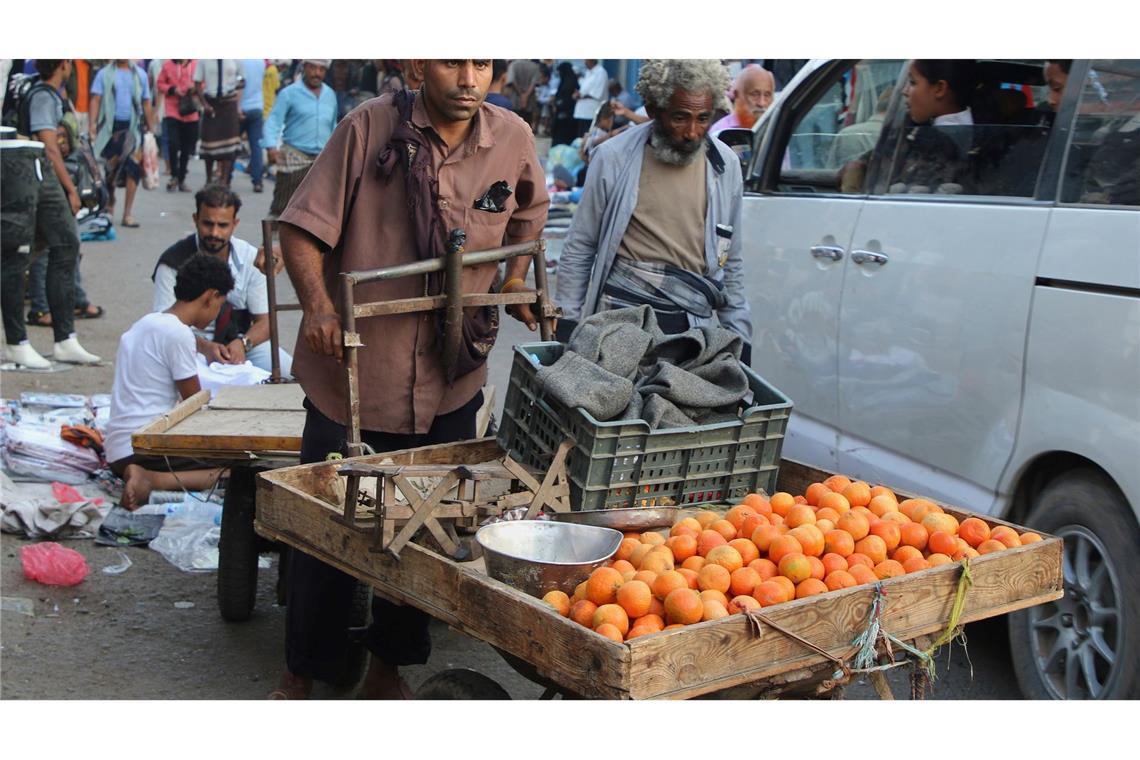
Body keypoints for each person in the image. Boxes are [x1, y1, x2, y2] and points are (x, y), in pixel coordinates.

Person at [271, 58, 549, 700]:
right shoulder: (367, 129)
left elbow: (528, 217)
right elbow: (300, 230)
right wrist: (318, 308)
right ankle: (301, 673)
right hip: (355, 380)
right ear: (419, 64)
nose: (469, 78)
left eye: (482, 63)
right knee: (326, 534)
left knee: (428, 536)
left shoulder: (511, 138)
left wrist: (513, 279)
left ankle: (387, 670)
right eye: (453, 61)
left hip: (451, 380)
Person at [556, 59, 752, 359]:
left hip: (691, 330)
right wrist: (566, 321)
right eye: (680, 118)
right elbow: (581, 245)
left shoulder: (725, 166)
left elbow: (732, 260)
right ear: (653, 111)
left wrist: (740, 337)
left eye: (703, 119)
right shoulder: (613, 157)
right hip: (618, 321)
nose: (692, 132)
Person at [105, 254, 233, 509]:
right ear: (210, 297)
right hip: (146, 449)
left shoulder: (145, 323)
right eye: (220, 305)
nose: (217, 313)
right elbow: (194, 405)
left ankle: (144, 474)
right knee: (243, 467)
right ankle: (153, 479)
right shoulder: (179, 334)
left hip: (117, 451)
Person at [2, 59, 101, 368]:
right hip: (31, 171)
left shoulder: (43, 91)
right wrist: (71, 189)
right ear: (64, 64)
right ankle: (18, 342)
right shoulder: (43, 95)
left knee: (62, 245)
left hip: (33, 171)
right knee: (18, 255)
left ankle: (65, 339)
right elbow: (49, 146)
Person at [152, 183, 292, 376]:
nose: (214, 233)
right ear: (195, 219)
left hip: (240, 344)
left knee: (291, 374)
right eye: (208, 224)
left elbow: (266, 322)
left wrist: (243, 343)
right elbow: (164, 327)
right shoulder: (172, 262)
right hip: (189, 345)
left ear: (235, 223)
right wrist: (205, 347)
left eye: (223, 225)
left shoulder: (250, 258)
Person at [262, 59, 337, 217]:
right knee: (282, 208)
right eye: (313, 68)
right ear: (304, 68)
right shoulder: (289, 93)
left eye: (321, 69)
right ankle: (274, 233)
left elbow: (334, 126)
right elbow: (273, 121)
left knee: (316, 211)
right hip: (294, 157)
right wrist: (271, 147)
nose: (317, 73)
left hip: (321, 161)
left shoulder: (330, 95)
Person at [88, 59, 155, 228]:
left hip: (133, 129)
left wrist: (151, 128)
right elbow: (96, 99)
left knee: (133, 169)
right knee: (110, 171)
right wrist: (92, 125)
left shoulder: (140, 75)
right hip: (110, 130)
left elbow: (146, 102)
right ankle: (110, 201)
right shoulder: (104, 74)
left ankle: (127, 213)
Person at [194, 58, 243, 186]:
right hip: (211, 102)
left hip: (229, 103)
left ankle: (224, 181)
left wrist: (235, 89)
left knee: (229, 145)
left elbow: (243, 79)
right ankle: (209, 179)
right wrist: (204, 104)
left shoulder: (236, 59)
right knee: (209, 143)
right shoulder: (204, 60)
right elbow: (197, 83)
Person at [156, 59, 199, 192]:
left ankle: (181, 179)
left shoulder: (195, 64)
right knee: (173, 143)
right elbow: (160, 84)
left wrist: (194, 87)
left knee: (186, 147)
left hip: (191, 111)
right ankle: (174, 175)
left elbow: (203, 83)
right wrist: (173, 89)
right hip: (173, 111)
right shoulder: (168, 65)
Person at [710, 64, 774, 134]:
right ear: (737, 95)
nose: (762, 103)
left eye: (767, 95)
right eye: (754, 94)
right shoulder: (720, 132)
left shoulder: (777, 128)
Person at [238, 59, 266, 193]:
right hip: (257, 107)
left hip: (241, 108)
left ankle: (226, 178)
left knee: (232, 145)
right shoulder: (261, 62)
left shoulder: (239, 61)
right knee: (256, 147)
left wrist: (237, 107)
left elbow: (239, 85)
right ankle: (258, 181)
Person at [573, 59, 608, 137]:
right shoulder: (588, 72)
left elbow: (597, 93)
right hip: (583, 111)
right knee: (581, 137)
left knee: (589, 137)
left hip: (592, 112)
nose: (584, 62)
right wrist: (578, 94)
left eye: (586, 60)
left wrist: (581, 95)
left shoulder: (601, 72)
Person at [504, 58, 541, 129]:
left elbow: (512, 81)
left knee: (514, 126)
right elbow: (534, 84)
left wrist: (521, 94)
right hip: (530, 102)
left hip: (515, 100)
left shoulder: (513, 65)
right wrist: (526, 96)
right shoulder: (535, 66)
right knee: (527, 126)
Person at [551, 61, 579, 146]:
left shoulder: (570, 83)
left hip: (567, 115)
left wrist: (558, 104)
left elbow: (567, 99)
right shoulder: (566, 81)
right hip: (563, 113)